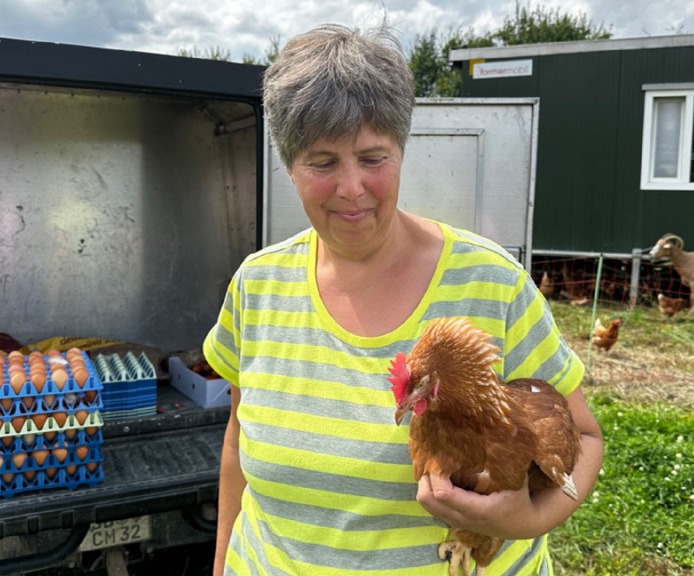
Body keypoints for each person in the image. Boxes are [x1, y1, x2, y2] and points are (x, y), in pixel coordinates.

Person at [202, 22, 604, 576]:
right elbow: (237, 441)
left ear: (402, 150)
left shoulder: (493, 283)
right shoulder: (257, 286)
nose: (351, 187)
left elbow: (582, 434)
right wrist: (222, 565)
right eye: (322, 162)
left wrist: (525, 521)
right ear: (289, 166)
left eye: (372, 158)